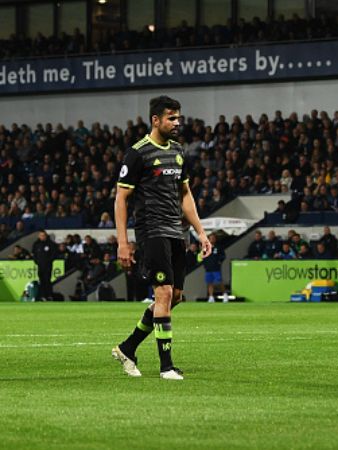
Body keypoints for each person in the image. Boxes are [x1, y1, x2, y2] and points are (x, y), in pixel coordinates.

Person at [112, 96, 212, 381]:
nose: (177, 123)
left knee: (175, 297)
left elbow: (185, 195)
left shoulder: (179, 152)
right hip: (151, 230)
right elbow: (121, 198)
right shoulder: (137, 153)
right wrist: (123, 242)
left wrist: (201, 232)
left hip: (175, 231)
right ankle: (166, 366)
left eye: (178, 118)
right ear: (155, 120)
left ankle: (127, 348)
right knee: (164, 293)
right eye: (171, 118)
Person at [32, 230, 57, 301]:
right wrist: (37, 261)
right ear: (39, 236)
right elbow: (34, 254)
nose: (42, 237)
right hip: (40, 266)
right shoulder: (36, 244)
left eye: (44, 235)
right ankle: (42, 296)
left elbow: (54, 254)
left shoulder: (50, 244)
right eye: (41, 235)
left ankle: (49, 295)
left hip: (48, 266)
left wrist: (49, 261)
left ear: (46, 236)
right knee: (41, 281)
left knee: (47, 280)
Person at [204, 234, 227, 302]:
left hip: (216, 268)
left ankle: (225, 295)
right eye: (211, 238)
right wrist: (205, 264)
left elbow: (223, 256)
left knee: (219, 282)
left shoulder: (219, 247)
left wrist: (219, 261)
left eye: (213, 238)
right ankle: (211, 297)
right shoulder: (206, 247)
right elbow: (203, 256)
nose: (212, 239)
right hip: (208, 268)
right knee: (210, 283)